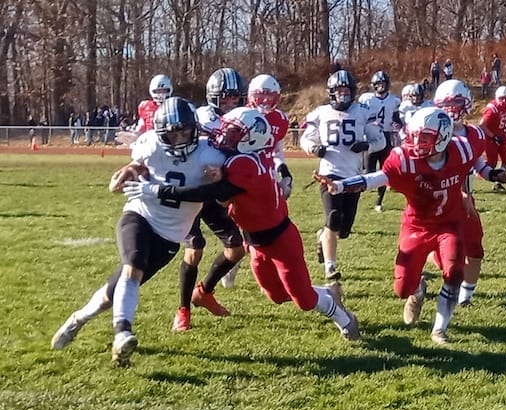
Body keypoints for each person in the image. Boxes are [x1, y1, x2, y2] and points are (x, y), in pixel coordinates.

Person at [123, 107, 361, 342]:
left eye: (235, 133)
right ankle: (327, 293)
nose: (225, 136)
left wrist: (157, 189)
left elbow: (209, 192)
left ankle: (345, 319)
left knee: (304, 300)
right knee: (276, 296)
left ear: (251, 138)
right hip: (255, 242)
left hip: (280, 240)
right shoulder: (245, 157)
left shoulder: (244, 164)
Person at [50, 97, 227, 366]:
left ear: (195, 130)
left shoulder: (211, 155)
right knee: (133, 266)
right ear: (160, 133)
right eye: (172, 134)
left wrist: (219, 180)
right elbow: (119, 183)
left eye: (184, 132)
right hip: (139, 216)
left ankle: (78, 319)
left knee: (111, 294)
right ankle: (123, 334)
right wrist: (129, 171)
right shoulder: (150, 145)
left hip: (170, 237)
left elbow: (225, 200)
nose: (178, 139)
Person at [313, 106, 506, 345]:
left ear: (443, 137)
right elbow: (376, 178)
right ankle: (418, 290)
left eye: (425, 137)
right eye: (415, 135)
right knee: (402, 288)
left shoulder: (462, 148)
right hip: (416, 226)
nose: (417, 142)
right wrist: (341, 186)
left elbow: (475, 161)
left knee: (453, 273)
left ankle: (439, 330)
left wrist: (493, 174)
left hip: (449, 223)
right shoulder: (404, 158)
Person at [169, 68, 248, 332]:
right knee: (195, 248)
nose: (229, 104)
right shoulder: (199, 117)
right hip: (192, 189)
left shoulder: (243, 119)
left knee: (236, 248)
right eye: (224, 99)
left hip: (215, 192)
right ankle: (183, 310)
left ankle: (204, 292)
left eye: (235, 99)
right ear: (212, 97)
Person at [433, 79, 506, 307]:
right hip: (439, 201)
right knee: (447, 255)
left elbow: (478, 165)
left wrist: (495, 175)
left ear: (466, 103)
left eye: (457, 102)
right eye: (447, 103)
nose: (451, 108)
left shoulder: (474, 134)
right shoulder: (433, 132)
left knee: (475, 249)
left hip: (466, 200)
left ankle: (465, 298)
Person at [301, 70, 386, 280]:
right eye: (339, 91)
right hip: (328, 174)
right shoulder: (320, 112)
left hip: (353, 176)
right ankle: (330, 267)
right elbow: (305, 139)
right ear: (331, 92)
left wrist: (367, 145)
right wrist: (314, 148)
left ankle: (323, 236)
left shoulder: (363, 111)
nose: (343, 95)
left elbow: (381, 141)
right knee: (333, 216)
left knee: (344, 230)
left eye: (346, 90)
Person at [218, 73, 293, 290]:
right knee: (244, 226)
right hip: (242, 176)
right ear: (251, 96)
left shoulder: (280, 119)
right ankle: (234, 264)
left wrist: (284, 172)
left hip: (266, 177)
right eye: (261, 95)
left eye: (270, 95)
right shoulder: (241, 116)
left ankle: (268, 274)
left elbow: (277, 150)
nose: (265, 100)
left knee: (273, 226)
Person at [358, 71, 401, 212]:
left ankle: (379, 201)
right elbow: (360, 116)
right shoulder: (366, 99)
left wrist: (402, 125)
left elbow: (396, 118)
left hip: (386, 137)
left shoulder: (393, 101)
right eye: (378, 84)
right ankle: (361, 191)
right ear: (374, 85)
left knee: (384, 171)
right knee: (369, 170)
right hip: (371, 136)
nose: (381, 87)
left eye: (383, 84)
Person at [116, 74, 173, 146]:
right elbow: (141, 127)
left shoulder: (173, 106)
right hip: (149, 143)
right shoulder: (145, 106)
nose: (161, 94)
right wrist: (134, 135)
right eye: (158, 91)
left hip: (168, 143)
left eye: (164, 90)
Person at [479, 86, 506, 191]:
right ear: (497, 98)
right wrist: (493, 136)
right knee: (492, 163)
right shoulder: (492, 109)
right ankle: (477, 169)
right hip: (490, 136)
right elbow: (481, 125)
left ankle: (499, 182)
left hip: (501, 134)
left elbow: (505, 122)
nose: (504, 101)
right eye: (502, 98)